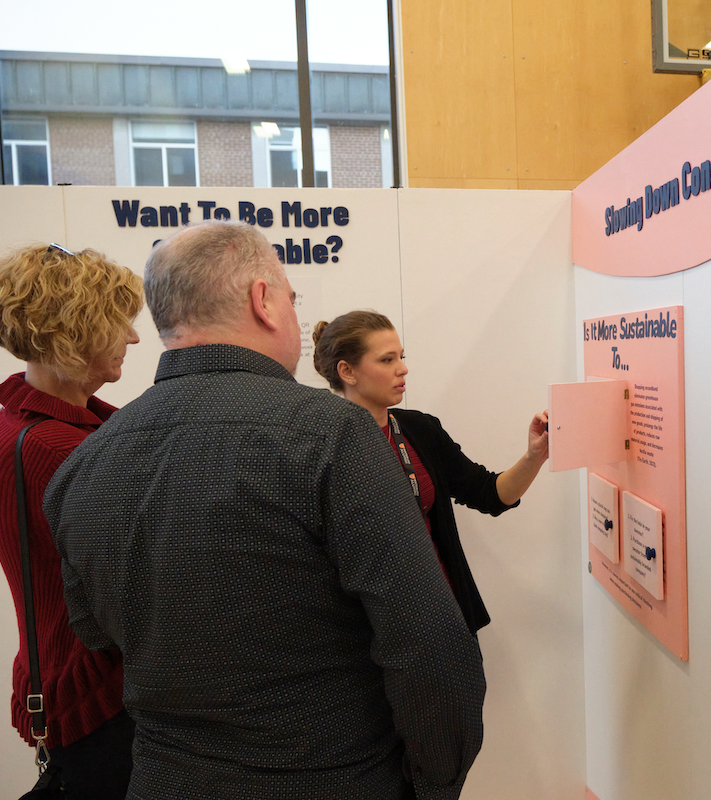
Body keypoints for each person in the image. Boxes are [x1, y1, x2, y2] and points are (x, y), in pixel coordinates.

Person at [43, 220, 485, 800]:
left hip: (161, 779)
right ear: (264, 302)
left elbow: (101, 636)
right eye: (291, 298)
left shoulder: (83, 462)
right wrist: (435, 785)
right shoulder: (332, 436)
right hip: (333, 778)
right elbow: (430, 645)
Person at [0, 243, 142, 799]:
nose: (134, 339)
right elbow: (133, 586)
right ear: (77, 332)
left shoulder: (33, 428)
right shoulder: (53, 446)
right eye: (120, 324)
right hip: (100, 702)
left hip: (83, 688)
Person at [311, 310, 548, 634]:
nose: (403, 368)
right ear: (347, 371)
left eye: (402, 357)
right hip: (366, 637)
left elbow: (489, 494)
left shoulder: (419, 429)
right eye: (386, 360)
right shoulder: (319, 447)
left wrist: (535, 456)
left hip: (442, 620)